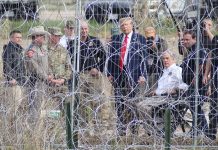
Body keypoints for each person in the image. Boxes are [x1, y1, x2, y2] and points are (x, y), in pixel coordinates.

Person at [68, 21, 112, 130]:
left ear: (88, 29)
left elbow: (103, 56)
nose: (84, 31)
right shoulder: (73, 43)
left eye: (86, 29)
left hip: (93, 76)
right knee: (82, 101)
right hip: (80, 75)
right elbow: (69, 60)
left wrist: (98, 69)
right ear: (78, 30)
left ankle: (99, 124)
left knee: (98, 99)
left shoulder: (94, 41)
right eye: (82, 29)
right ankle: (84, 125)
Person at [107, 17, 147, 136]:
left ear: (132, 25)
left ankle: (134, 129)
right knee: (119, 102)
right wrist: (109, 73)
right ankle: (121, 129)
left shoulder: (140, 39)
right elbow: (111, 57)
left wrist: (142, 75)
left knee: (133, 103)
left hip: (133, 74)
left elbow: (143, 58)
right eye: (122, 25)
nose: (124, 27)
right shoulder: (116, 39)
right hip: (119, 74)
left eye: (127, 25)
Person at [137, 50, 188, 136]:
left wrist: (175, 89)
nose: (165, 60)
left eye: (167, 58)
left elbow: (185, 85)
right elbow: (162, 87)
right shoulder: (165, 71)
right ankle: (152, 130)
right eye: (163, 59)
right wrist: (155, 91)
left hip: (170, 98)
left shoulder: (177, 70)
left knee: (144, 107)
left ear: (173, 59)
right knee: (140, 105)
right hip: (159, 97)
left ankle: (153, 130)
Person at [25, 25, 51, 149]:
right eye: (41, 36)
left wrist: (50, 75)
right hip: (36, 84)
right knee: (36, 108)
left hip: (45, 84)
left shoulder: (43, 49)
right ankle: (34, 134)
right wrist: (47, 77)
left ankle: (41, 132)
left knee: (43, 108)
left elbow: (47, 64)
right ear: (35, 37)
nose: (44, 38)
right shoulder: (32, 51)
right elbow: (35, 68)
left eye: (43, 35)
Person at [180, 30, 208, 137]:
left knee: (195, 107)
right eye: (184, 39)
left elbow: (201, 64)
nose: (185, 42)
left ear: (194, 39)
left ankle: (204, 130)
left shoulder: (198, 49)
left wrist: (195, 78)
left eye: (187, 39)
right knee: (194, 108)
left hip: (197, 84)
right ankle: (197, 130)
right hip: (191, 84)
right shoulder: (191, 50)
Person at [2, 30, 28, 145]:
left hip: (21, 82)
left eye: (20, 37)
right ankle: (7, 131)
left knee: (18, 108)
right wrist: (10, 78)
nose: (19, 39)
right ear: (11, 38)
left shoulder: (19, 49)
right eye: (17, 37)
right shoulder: (9, 50)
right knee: (12, 109)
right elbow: (7, 65)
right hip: (14, 84)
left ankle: (14, 130)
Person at [203, 28, 218, 140]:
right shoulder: (216, 39)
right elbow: (210, 57)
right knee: (214, 107)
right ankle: (211, 134)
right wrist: (206, 74)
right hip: (216, 78)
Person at [144, 26, 168, 91]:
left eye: (152, 37)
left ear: (155, 34)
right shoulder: (144, 42)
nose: (150, 39)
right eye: (148, 37)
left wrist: (155, 48)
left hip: (159, 69)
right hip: (148, 70)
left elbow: (162, 57)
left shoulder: (162, 42)